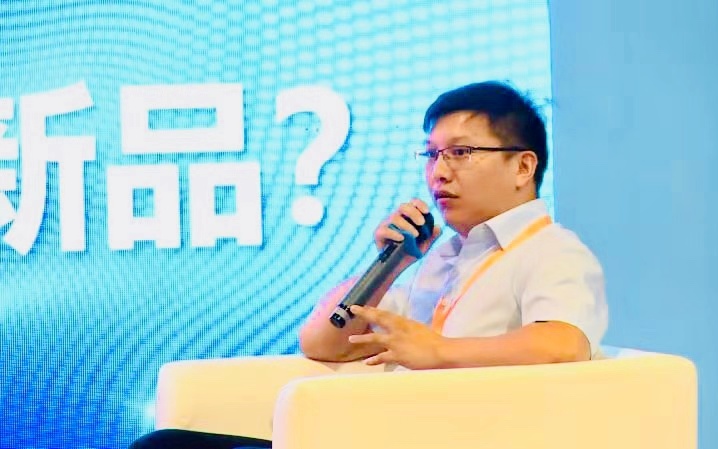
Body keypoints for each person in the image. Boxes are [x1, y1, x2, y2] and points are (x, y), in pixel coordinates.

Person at [129, 80, 608, 449]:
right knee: (168, 445)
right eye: (431, 155)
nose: (439, 172)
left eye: (461, 153)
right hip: (383, 429)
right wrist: (390, 263)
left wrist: (439, 351)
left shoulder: (551, 250)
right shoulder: (445, 256)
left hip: (450, 436)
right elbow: (323, 344)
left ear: (523, 167)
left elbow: (563, 343)